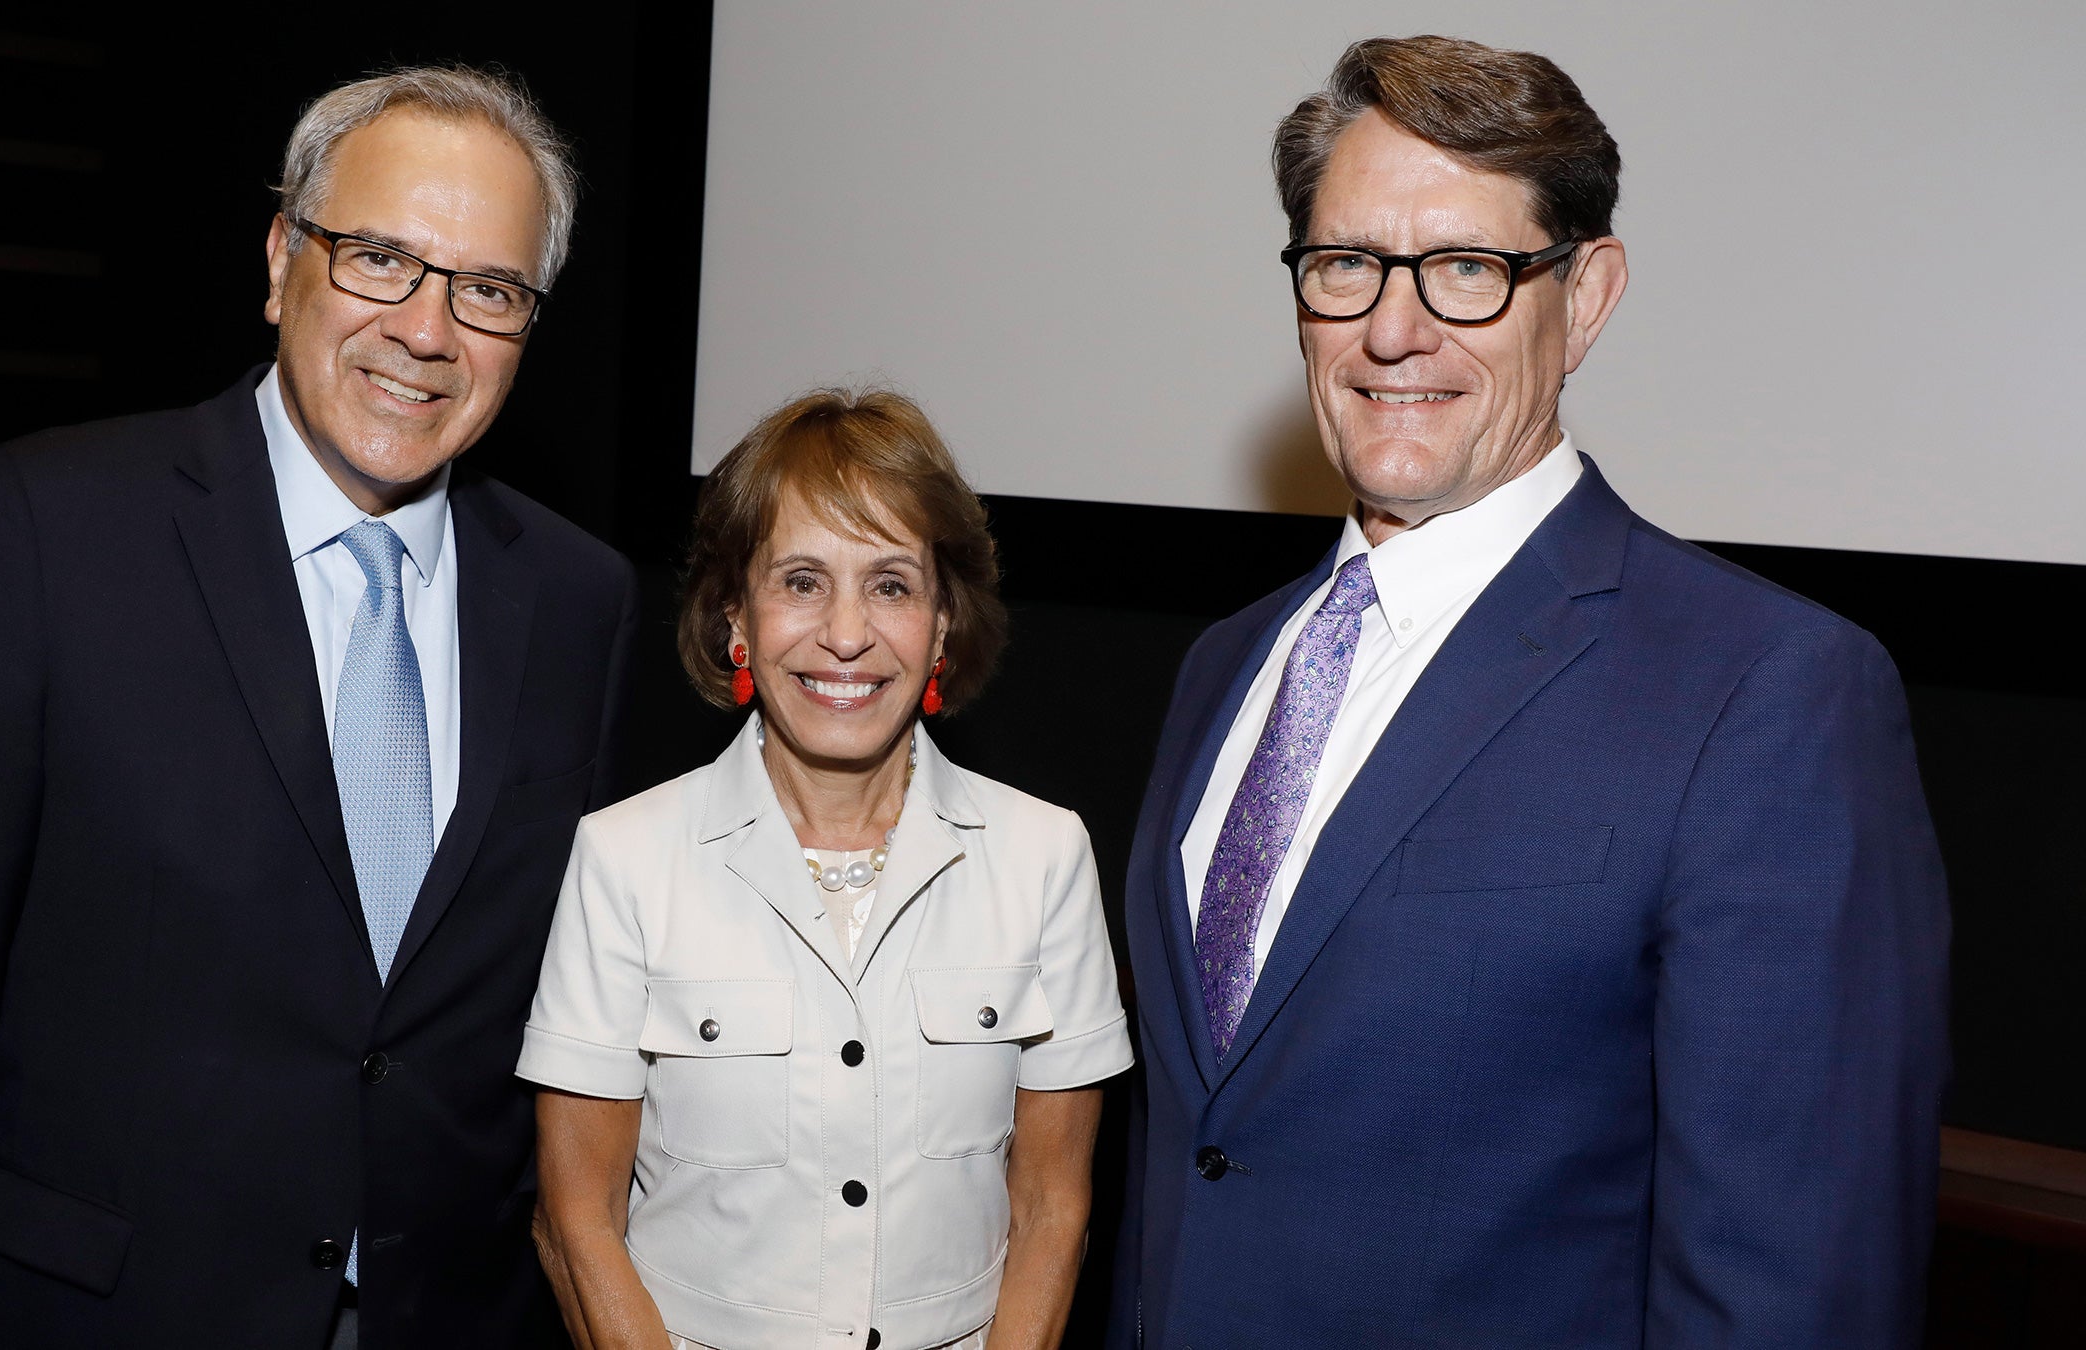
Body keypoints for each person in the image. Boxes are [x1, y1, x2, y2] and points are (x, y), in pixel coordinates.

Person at [1109, 35, 1949, 1349]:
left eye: (1467, 270)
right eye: (1347, 266)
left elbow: (1793, 1286)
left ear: (1588, 294)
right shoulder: (1226, 663)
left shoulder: (1768, 693)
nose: (1394, 327)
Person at [0, 66, 635, 1349]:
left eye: (488, 289)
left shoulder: (580, 604)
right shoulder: (41, 532)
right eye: (379, 257)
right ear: (279, 260)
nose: (427, 331)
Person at [520, 389, 1133, 1350]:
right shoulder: (625, 858)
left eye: (891, 584)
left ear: (941, 625)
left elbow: (1054, 1207)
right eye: (802, 581)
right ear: (736, 616)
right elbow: (576, 1219)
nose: (845, 634)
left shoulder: (1045, 857)